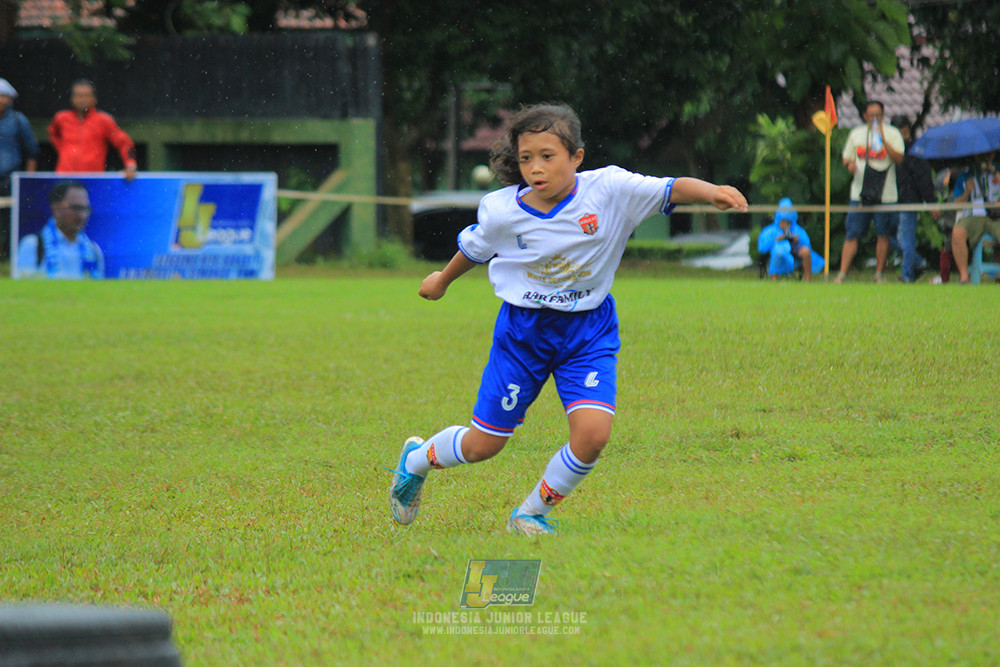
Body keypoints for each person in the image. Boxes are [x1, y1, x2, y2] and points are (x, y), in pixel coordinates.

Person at [387, 103, 748, 536]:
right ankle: (415, 460)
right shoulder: (503, 211)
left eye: (547, 156)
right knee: (484, 445)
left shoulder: (611, 189)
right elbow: (476, 250)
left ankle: (530, 513)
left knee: (593, 435)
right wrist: (442, 281)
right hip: (524, 333)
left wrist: (711, 191)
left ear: (577, 157)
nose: (535, 168)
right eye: (525, 159)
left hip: (588, 330)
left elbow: (670, 188)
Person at [834, 101, 905, 283]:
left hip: (885, 195)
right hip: (859, 193)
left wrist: (882, 137)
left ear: (883, 115)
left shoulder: (893, 134)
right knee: (852, 233)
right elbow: (846, 158)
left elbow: (899, 158)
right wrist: (849, 165)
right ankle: (842, 274)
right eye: (871, 115)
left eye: (878, 115)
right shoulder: (856, 134)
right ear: (865, 116)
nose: (875, 118)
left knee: (883, 234)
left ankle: (878, 274)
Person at [48, 79, 137, 181]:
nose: (82, 100)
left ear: (94, 99)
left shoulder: (104, 120)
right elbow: (53, 134)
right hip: (64, 178)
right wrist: (64, 151)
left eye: (86, 96)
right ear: (72, 99)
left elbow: (124, 143)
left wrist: (130, 165)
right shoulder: (61, 118)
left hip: (94, 179)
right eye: (78, 95)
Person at [16, 180, 104, 279]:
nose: (82, 215)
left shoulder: (93, 250)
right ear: (56, 208)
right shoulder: (33, 245)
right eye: (76, 208)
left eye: (85, 209)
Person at [891, 115, 939, 283]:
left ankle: (907, 275)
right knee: (892, 238)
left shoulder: (916, 151)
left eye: (903, 132)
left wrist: (931, 202)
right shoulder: (891, 149)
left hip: (909, 201)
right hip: (893, 200)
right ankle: (918, 262)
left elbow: (924, 179)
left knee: (906, 239)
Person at [0, 77, 39, 260]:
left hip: (10, 179)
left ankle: (8, 257)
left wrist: (28, 179)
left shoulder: (18, 120)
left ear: (10, 99)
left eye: (2, 96)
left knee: (10, 219)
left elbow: (32, 151)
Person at [949, 152, 1000, 283]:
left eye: (988, 156)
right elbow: (957, 205)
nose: (985, 159)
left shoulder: (998, 171)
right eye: (981, 156)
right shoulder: (966, 175)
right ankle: (964, 277)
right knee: (957, 233)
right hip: (974, 215)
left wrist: (995, 173)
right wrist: (967, 192)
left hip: (996, 215)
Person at [756, 197, 823, 281]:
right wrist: (777, 240)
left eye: (788, 222)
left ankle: (807, 280)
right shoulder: (770, 231)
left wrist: (796, 240)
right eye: (783, 221)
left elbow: (807, 244)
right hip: (777, 250)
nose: (786, 224)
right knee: (778, 252)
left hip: (794, 249)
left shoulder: (797, 229)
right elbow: (762, 247)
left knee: (806, 252)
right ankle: (774, 280)